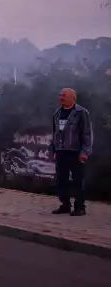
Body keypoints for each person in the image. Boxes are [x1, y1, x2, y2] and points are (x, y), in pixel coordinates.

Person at [48, 88, 93, 216]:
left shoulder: (81, 113)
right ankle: (65, 205)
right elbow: (55, 133)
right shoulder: (57, 113)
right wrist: (51, 149)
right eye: (60, 95)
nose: (60, 97)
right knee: (61, 179)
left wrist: (85, 151)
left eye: (63, 95)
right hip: (61, 151)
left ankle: (80, 207)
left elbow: (87, 134)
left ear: (72, 98)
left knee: (77, 180)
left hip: (76, 152)